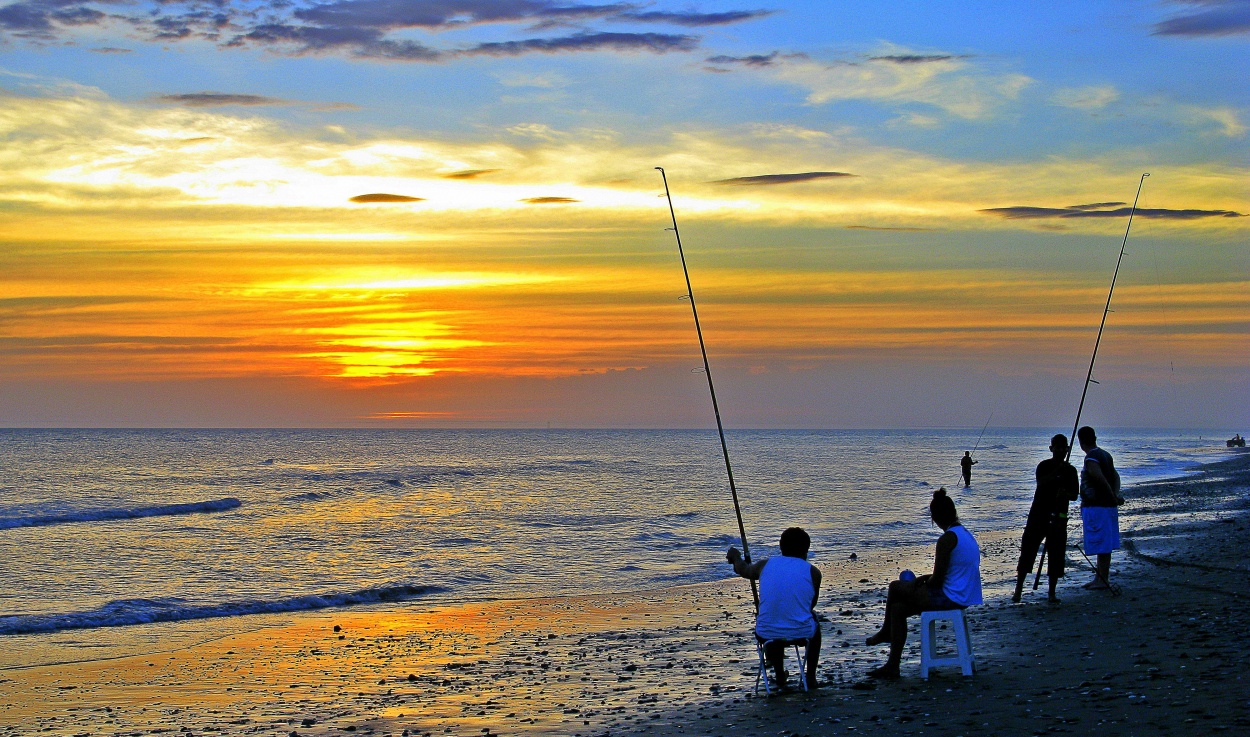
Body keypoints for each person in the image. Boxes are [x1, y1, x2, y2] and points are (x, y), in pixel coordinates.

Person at [865, 488, 982, 679]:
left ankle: (886, 632)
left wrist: (920, 584)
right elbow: (952, 571)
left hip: (951, 597)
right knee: (898, 609)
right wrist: (924, 579)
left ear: (935, 518)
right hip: (963, 593)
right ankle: (892, 665)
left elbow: (937, 581)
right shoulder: (965, 535)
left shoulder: (947, 539)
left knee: (895, 587)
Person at [727, 527, 822, 690]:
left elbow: (743, 570)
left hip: (766, 633)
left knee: (773, 619)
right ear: (806, 549)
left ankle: (779, 676)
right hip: (802, 633)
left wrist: (736, 557)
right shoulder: (813, 572)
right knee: (814, 624)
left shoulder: (765, 565)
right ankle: (810, 677)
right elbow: (809, 605)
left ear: (781, 546)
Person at [1012, 434, 1079, 603]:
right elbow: (1041, 483)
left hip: (1059, 517)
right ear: (1051, 449)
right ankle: (1018, 590)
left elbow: (1075, 495)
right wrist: (1057, 471)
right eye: (1057, 448)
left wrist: (1065, 493)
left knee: (1056, 555)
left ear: (1067, 449)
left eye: (1064, 448)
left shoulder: (1071, 471)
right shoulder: (1044, 466)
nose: (1061, 451)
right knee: (1028, 551)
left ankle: (1052, 593)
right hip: (1038, 515)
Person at [1077, 426, 1122, 590]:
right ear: (1094, 438)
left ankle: (1102, 580)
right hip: (1107, 506)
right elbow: (1116, 476)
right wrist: (1115, 495)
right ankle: (1100, 578)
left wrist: (1112, 496)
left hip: (1098, 506)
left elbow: (1099, 477)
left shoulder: (1092, 457)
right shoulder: (1105, 454)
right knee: (1105, 543)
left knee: (1101, 543)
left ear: (1080, 441)